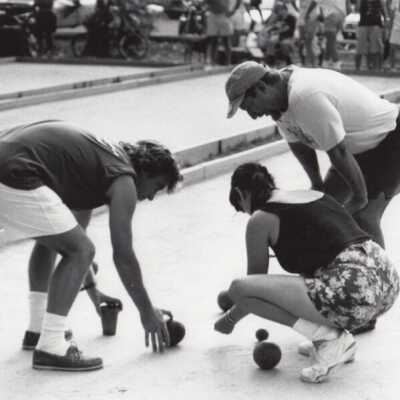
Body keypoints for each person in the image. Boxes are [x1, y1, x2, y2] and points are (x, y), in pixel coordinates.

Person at [224, 61, 400, 332]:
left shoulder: (305, 96)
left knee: (364, 214)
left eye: (247, 106)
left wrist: (357, 198)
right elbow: (299, 146)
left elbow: (338, 153)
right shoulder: (278, 106)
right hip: (359, 148)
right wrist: (317, 186)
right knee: (323, 204)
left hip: (390, 139)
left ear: (261, 87)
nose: (251, 114)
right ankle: (332, 286)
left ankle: (370, 303)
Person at [0, 120, 181, 371]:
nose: (151, 196)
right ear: (146, 172)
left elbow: (70, 235)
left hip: (10, 160)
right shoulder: (124, 179)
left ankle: (38, 328)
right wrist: (147, 311)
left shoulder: (99, 166)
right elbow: (123, 256)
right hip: (14, 170)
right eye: (157, 187)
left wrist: (96, 295)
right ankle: (51, 345)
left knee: (55, 241)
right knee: (81, 250)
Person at [214, 162, 399, 383]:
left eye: (241, 207)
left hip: (354, 293)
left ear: (240, 193)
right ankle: (332, 337)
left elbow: (251, 287)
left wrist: (230, 319)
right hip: (386, 283)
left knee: (239, 289)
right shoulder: (314, 196)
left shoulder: (260, 219)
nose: (247, 213)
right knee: (311, 276)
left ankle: (330, 340)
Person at [305, 0, 351, 70]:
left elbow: (314, 2)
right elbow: (349, 9)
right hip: (341, 16)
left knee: (331, 43)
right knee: (330, 41)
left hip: (331, 15)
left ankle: (337, 62)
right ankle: (325, 62)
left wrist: (307, 14)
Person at [355, 0, 388, 71]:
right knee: (360, 47)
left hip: (376, 24)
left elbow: (385, 13)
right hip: (363, 24)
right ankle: (358, 68)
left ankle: (376, 68)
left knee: (375, 47)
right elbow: (357, 9)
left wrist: (385, 25)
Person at [205, 0, 235, 65]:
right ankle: (212, 61)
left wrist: (233, 10)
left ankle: (228, 61)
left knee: (226, 40)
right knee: (213, 40)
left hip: (224, 15)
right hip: (213, 15)